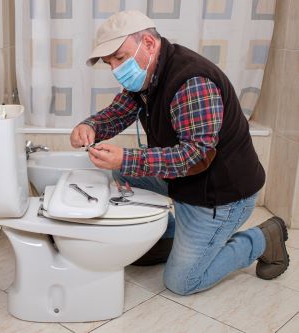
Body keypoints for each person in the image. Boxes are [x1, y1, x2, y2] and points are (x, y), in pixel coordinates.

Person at [70, 10, 289, 295]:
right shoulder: (146, 75)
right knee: (123, 170)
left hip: (219, 195)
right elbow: (119, 113)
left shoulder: (191, 82)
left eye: (120, 58)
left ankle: (263, 238)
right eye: (110, 62)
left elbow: (196, 156)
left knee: (182, 281)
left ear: (148, 43)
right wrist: (91, 126)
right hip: (185, 181)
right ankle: (174, 235)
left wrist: (127, 157)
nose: (115, 69)